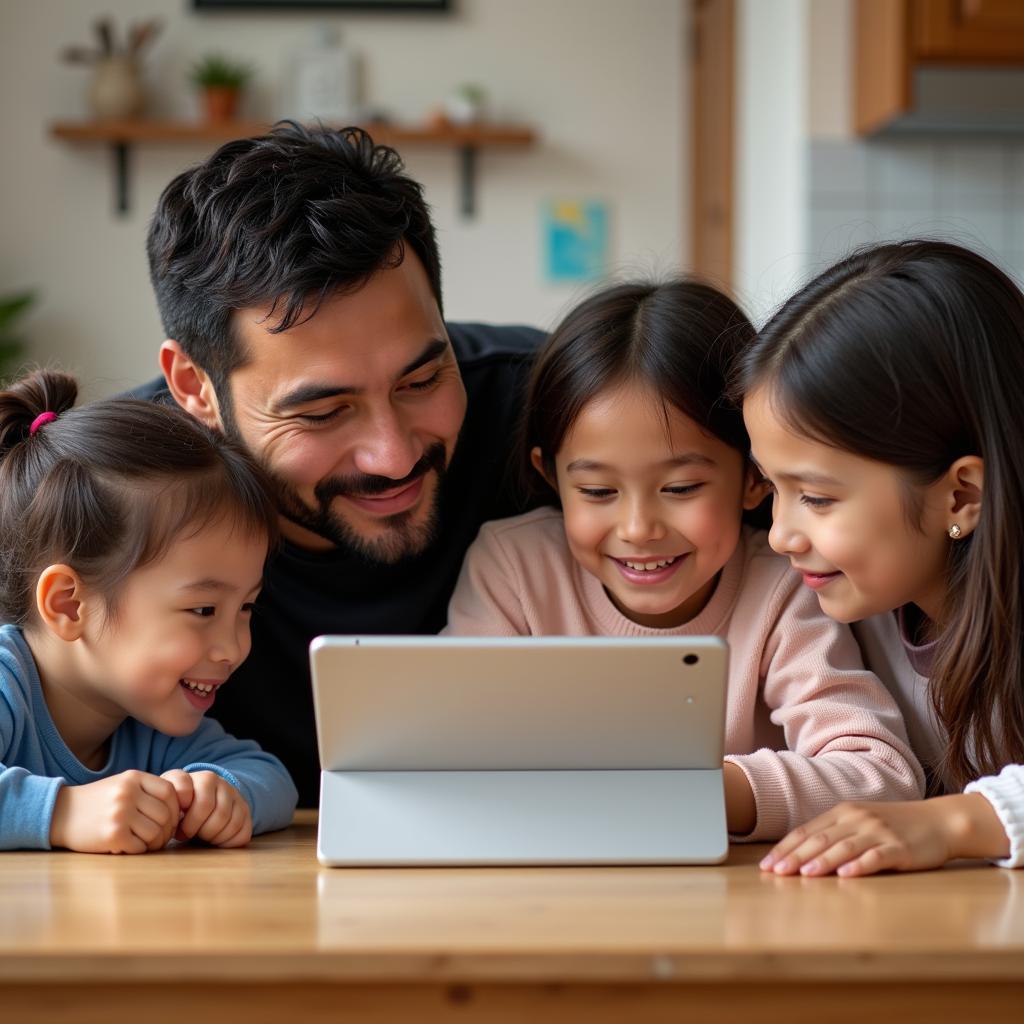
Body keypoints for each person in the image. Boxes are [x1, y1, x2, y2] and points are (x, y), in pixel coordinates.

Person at [139, 122, 543, 804]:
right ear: (193, 387)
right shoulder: (116, 494)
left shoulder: (560, 414)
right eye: (322, 412)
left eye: (421, 381)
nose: (394, 456)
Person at [443, 280, 924, 840]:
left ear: (753, 477)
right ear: (552, 477)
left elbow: (882, 775)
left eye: (681, 488)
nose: (639, 529)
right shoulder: (512, 568)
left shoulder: (780, 590)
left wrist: (701, 793)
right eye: (598, 492)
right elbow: (453, 755)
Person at [739, 240, 1024, 875]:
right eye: (772, 487)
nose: (781, 534)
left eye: (815, 496)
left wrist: (955, 821)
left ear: (962, 494)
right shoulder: (854, 601)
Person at [0, 369, 297, 853]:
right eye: (203, 609)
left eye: (245, 607)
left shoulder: (145, 720)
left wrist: (221, 795)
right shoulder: (8, 682)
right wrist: (64, 813)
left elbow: (272, 779)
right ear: (69, 604)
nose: (234, 647)